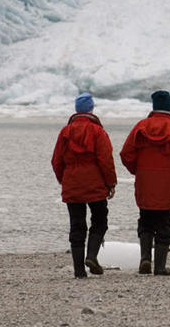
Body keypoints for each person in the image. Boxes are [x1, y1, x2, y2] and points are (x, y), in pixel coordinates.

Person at [120, 90, 170, 275]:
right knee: (165, 223)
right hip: (168, 183)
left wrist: (137, 170)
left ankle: (145, 259)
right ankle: (160, 267)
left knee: (146, 221)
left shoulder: (141, 126)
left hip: (145, 183)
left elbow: (126, 154)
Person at [51, 92, 117, 278]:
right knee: (100, 221)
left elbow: (56, 160)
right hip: (95, 184)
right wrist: (110, 182)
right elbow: (105, 160)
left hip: (72, 183)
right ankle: (92, 255)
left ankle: (79, 270)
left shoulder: (65, 132)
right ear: (91, 109)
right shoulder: (98, 131)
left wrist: (64, 180)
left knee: (76, 226)